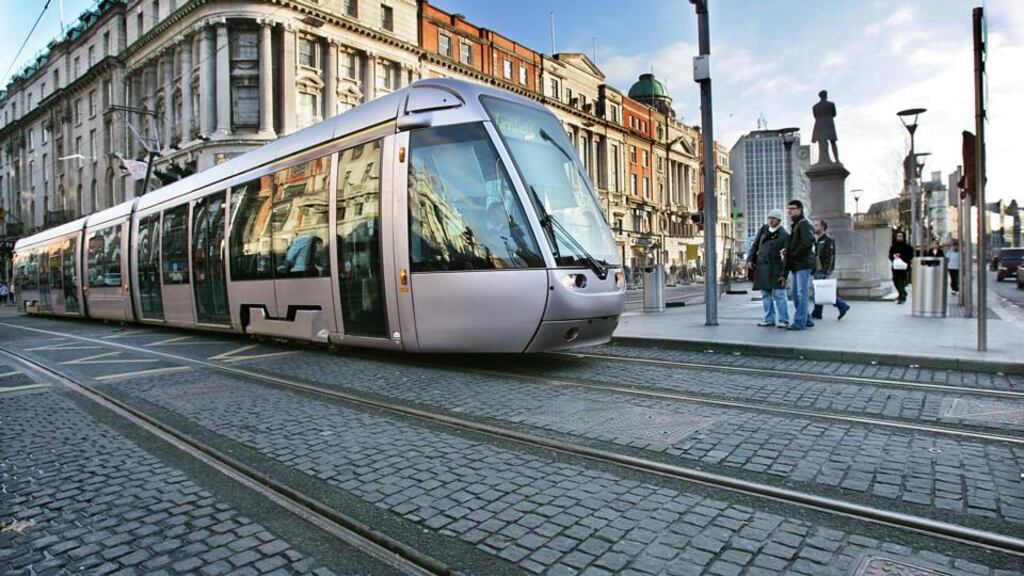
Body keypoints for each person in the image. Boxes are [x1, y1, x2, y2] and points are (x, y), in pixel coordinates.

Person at [747, 209, 791, 328]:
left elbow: (787, 257)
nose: (770, 220)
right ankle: (769, 319)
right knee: (765, 294)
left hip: (776, 268)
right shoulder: (763, 230)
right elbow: (755, 245)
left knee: (779, 294)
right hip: (762, 267)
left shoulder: (784, 235)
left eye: (773, 218)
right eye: (769, 218)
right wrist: (750, 259)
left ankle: (784, 320)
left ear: (779, 220)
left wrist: (784, 274)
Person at [781, 200, 816, 330]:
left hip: (803, 264)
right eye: (788, 208)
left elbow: (807, 242)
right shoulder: (796, 224)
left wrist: (793, 253)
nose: (790, 211)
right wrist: (789, 251)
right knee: (796, 294)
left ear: (800, 209)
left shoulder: (804, 224)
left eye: (793, 208)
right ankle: (807, 319)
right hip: (797, 264)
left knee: (801, 293)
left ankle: (800, 321)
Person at [811, 220, 851, 321]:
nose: (814, 227)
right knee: (819, 290)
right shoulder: (816, 240)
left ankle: (842, 306)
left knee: (824, 291)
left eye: (816, 225)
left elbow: (830, 257)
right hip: (817, 269)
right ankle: (817, 312)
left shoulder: (828, 239)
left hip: (822, 270)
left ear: (823, 227)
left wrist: (825, 271)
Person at [889, 231, 914, 304]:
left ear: (903, 237)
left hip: (904, 268)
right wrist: (895, 257)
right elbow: (890, 256)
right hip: (895, 267)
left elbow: (910, 256)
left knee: (901, 282)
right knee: (895, 281)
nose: (899, 237)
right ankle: (902, 293)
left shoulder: (908, 247)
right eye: (898, 236)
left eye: (900, 236)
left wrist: (901, 256)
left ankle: (902, 297)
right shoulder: (893, 247)